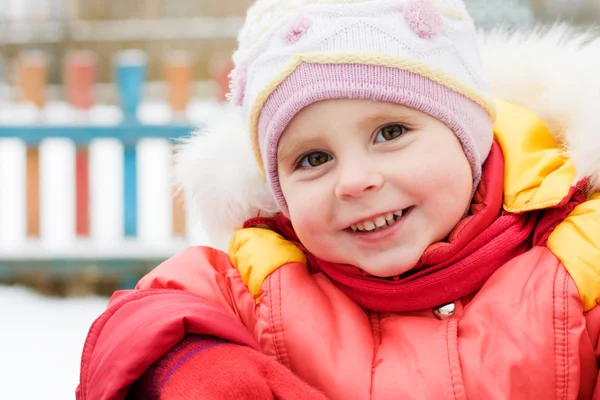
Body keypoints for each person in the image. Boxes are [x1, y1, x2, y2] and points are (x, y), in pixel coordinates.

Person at [77, 1, 600, 399]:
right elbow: (145, 322)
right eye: (312, 159)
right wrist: (195, 367)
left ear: (472, 137)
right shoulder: (266, 279)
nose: (353, 181)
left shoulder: (580, 260)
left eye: (390, 131)